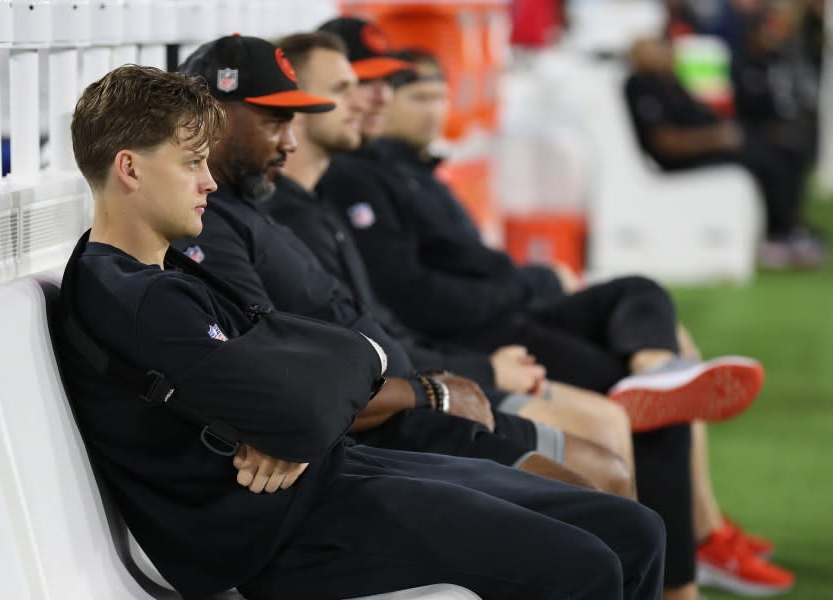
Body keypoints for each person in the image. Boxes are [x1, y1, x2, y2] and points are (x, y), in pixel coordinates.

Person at [54, 59, 667, 600]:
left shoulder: (159, 270)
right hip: (281, 535)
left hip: (334, 474)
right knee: (586, 566)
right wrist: (334, 386)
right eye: (191, 164)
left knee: (634, 529)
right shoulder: (129, 294)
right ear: (129, 169)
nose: (209, 181)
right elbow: (301, 402)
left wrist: (335, 381)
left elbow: (310, 369)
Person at [315, 26, 765, 600]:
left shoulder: (400, 170)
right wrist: (498, 334)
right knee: (632, 414)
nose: (379, 101)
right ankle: (683, 575)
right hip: (474, 342)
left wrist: (522, 288)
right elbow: (413, 300)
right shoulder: (352, 181)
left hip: (480, 335)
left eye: (432, 93)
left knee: (644, 301)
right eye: (407, 93)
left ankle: (664, 392)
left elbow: (454, 275)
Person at [171, 33, 636, 496]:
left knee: (608, 470)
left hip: (408, 400)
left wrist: (438, 384)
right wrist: (440, 387)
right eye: (275, 120)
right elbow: (279, 373)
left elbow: (363, 329)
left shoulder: (265, 204)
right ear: (214, 117)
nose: (289, 140)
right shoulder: (217, 222)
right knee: (603, 481)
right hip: (376, 435)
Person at [625, 36, 823, 269]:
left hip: (708, 145)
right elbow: (665, 142)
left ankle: (791, 226)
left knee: (786, 149)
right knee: (767, 160)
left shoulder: (669, 82)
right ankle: (778, 237)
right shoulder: (640, 86)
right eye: (657, 47)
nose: (666, 52)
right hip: (685, 158)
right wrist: (715, 138)